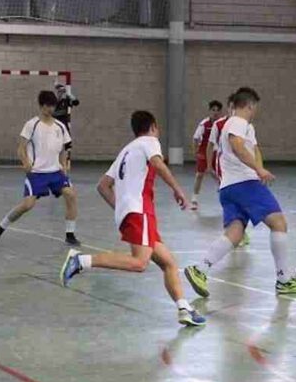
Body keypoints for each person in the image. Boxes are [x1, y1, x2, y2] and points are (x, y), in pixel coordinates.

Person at [60, 110, 205, 327]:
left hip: (132, 212)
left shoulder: (126, 151)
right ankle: (80, 261)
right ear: (153, 127)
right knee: (139, 263)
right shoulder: (150, 141)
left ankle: (184, 308)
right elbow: (158, 164)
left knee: (168, 263)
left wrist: (122, 208)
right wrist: (178, 190)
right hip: (140, 210)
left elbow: (103, 186)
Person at [184, 87, 296, 296]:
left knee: (235, 233)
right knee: (279, 223)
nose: (255, 112)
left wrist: (259, 168)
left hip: (228, 187)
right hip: (244, 183)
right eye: (255, 107)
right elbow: (237, 145)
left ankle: (200, 269)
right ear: (250, 105)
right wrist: (258, 170)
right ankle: (284, 280)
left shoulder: (241, 126)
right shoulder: (237, 122)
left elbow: (252, 149)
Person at [0, 90, 80, 246]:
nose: (50, 109)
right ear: (41, 106)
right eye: (47, 106)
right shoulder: (31, 125)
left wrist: (64, 167)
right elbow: (21, 148)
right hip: (37, 173)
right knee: (27, 205)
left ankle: (70, 234)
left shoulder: (60, 126)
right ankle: (0, 228)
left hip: (56, 172)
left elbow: (63, 150)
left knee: (71, 195)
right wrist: (26, 163)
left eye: (52, 106)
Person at [207, 93, 250, 247]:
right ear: (229, 107)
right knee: (231, 198)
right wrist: (209, 165)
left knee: (241, 198)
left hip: (241, 167)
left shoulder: (245, 125)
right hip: (224, 167)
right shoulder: (219, 125)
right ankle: (235, 231)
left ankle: (240, 230)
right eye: (231, 107)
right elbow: (210, 145)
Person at [190, 100, 223, 210]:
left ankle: (224, 193)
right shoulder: (204, 124)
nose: (215, 113)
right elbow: (195, 138)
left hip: (216, 153)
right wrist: (196, 152)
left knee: (220, 175)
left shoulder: (221, 124)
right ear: (209, 111)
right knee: (199, 175)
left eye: (217, 111)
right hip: (203, 152)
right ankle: (194, 200)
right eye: (213, 110)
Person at [54, 83, 80, 170]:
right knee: (55, 144)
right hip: (55, 126)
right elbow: (54, 113)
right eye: (59, 91)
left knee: (67, 144)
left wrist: (70, 95)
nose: (61, 93)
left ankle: (66, 162)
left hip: (64, 126)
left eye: (62, 91)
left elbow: (76, 102)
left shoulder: (66, 101)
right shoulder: (54, 102)